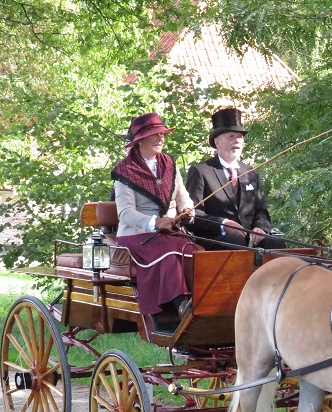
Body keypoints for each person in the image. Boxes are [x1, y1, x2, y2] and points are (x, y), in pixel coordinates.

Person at [112, 112, 196, 324]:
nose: (160, 138)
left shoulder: (170, 164)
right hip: (137, 235)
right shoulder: (124, 171)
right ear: (140, 140)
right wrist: (155, 222)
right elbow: (125, 213)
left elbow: (182, 196)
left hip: (170, 233)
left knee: (196, 253)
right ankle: (181, 304)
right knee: (168, 253)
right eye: (154, 134)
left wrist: (187, 210)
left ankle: (203, 301)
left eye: (162, 134)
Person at [185, 107, 286, 250]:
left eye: (240, 137)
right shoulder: (201, 171)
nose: (237, 141)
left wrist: (260, 228)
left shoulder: (251, 173)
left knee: (276, 243)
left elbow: (261, 211)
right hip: (217, 240)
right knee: (236, 241)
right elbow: (193, 215)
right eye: (231, 136)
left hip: (250, 239)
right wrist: (223, 224)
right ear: (217, 142)